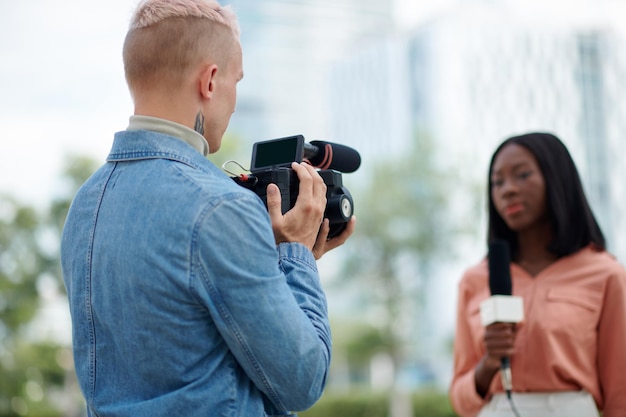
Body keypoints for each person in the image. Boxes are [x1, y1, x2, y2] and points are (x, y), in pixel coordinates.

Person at [60, 1, 355, 416]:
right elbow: (303, 380)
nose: (235, 102)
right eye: (237, 81)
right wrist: (298, 254)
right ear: (211, 82)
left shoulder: (84, 206)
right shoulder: (221, 208)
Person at [449, 132, 626, 417]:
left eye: (522, 175)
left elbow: (621, 393)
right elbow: (460, 399)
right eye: (497, 182)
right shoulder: (474, 280)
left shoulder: (605, 274)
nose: (507, 190)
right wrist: (489, 362)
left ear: (557, 179)